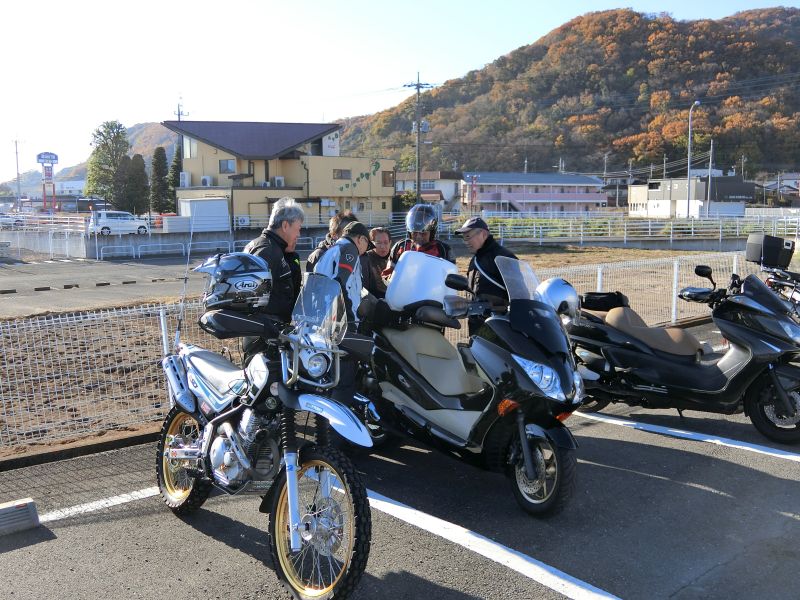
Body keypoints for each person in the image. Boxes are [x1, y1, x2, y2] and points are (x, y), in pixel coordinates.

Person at [314, 220, 374, 407]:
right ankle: (339, 423)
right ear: (361, 239)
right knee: (344, 382)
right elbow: (340, 284)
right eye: (367, 245)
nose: (365, 251)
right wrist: (349, 320)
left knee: (333, 379)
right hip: (341, 325)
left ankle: (329, 419)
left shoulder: (330, 250)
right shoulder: (350, 250)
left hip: (324, 322)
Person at [243, 197, 305, 324]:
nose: (299, 234)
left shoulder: (266, 246)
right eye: (298, 228)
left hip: (266, 326)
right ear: (285, 225)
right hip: (266, 329)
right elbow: (253, 297)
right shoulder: (267, 251)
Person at [455, 216, 518, 335]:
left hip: (500, 329)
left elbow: (519, 294)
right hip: (477, 327)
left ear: (483, 234)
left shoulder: (503, 258)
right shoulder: (475, 260)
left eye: (468, 237)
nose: (466, 242)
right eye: (464, 238)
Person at [383, 204, 454, 277]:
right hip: (404, 284)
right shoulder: (401, 247)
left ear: (432, 232)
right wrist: (389, 277)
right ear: (409, 232)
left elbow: (450, 276)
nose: (418, 236)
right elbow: (388, 273)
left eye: (423, 233)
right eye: (414, 233)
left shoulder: (443, 250)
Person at [360, 226, 391, 299]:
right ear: (371, 243)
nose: (382, 246)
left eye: (386, 242)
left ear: (390, 243)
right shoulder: (365, 259)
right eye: (378, 243)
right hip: (374, 300)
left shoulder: (396, 257)